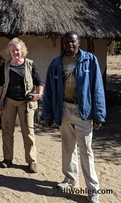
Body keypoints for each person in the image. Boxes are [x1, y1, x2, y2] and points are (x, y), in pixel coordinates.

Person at [43, 31, 106, 203]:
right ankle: (70, 180)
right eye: (67, 43)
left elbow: (97, 88)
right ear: (62, 44)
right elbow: (49, 90)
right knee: (67, 147)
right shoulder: (56, 63)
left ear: (79, 43)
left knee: (86, 151)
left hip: (83, 111)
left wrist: (99, 114)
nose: (70, 45)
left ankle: (93, 190)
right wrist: (48, 114)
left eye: (73, 42)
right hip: (64, 109)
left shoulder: (90, 60)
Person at [0, 38, 43, 173]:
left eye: (18, 49)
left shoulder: (30, 64)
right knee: (7, 131)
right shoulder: (5, 66)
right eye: (13, 50)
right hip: (8, 102)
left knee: (28, 132)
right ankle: (7, 159)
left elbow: (39, 82)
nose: (16, 52)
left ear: (22, 51)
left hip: (25, 103)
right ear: (9, 52)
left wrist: (39, 94)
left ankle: (32, 161)